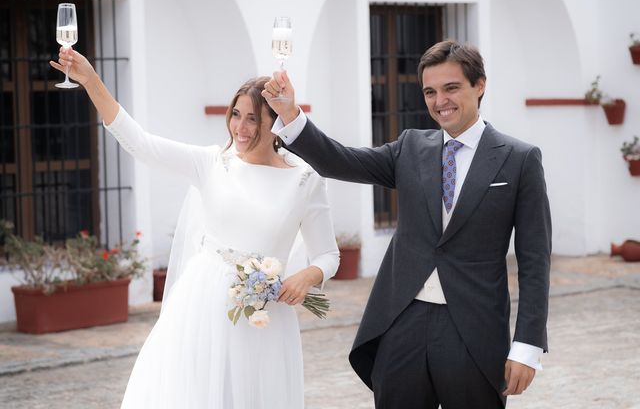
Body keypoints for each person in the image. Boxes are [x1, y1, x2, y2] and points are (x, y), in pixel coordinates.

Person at [263, 40, 551, 409]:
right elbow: (340, 161)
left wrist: (527, 346)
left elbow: (535, 261)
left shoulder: (519, 159)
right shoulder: (411, 147)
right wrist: (290, 114)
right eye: (430, 91)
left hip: (473, 330)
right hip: (402, 323)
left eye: (451, 88)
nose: (439, 101)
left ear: (479, 85)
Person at [50, 48, 340, 408]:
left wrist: (308, 275)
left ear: (274, 122)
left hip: (266, 317)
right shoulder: (211, 163)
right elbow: (141, 143)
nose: (240, 127)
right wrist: (91, 81)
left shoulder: (305, 180)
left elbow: (328, 254)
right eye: (235, 115)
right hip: (202, 303)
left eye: (252, 118)